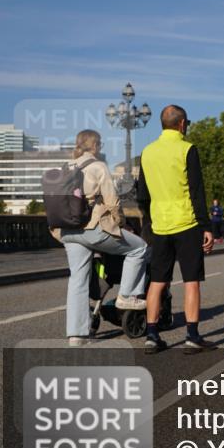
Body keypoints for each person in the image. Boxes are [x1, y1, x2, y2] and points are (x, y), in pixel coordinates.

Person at [52, 130, 148, 346]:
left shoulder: (66, 167)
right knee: (139, 248)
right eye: (100, 144)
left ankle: (77, 336)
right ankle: (127, 295)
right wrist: (122, 224)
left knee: (77, 279)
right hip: (93, 229)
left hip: (69, 232)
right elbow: (113, 201)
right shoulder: (98, 166)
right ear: (95, 145)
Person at [137, 105, 215, 355]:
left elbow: (142, 195)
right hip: (187, 223)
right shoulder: (187, 149)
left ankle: (151, 335)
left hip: (159, 225)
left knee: (158, 281)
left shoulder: (147, 152)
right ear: (182, 124)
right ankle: (192, 336)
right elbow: (196, 190)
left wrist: (149, 222)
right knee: (191, 281)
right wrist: (206, 226)